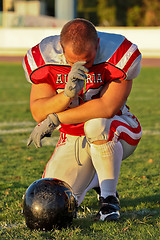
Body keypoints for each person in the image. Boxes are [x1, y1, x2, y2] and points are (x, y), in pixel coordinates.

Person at [23, 18, 142, 221]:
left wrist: (55, 118)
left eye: (87, 60)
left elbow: (107, 108)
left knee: (97, 125)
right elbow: (38, 110)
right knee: (55, 202)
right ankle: (96, 179)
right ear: (61, 47)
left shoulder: (118, 53)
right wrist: (66, 95)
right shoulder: (44, 57)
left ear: (97, 44)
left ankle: (108, 199)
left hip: (118, 128)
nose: (81, 66)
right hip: (73, 137)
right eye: (72, 61)